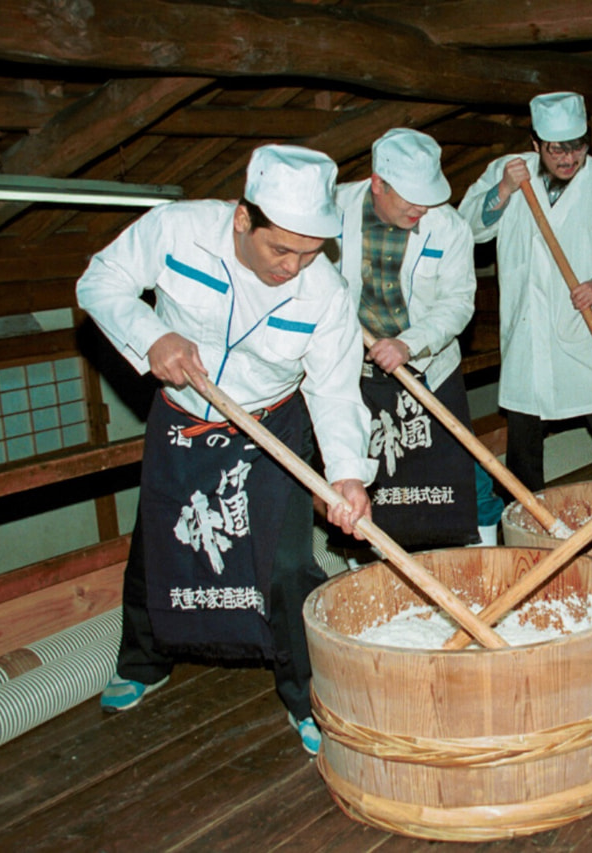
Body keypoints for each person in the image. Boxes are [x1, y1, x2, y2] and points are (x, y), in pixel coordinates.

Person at [77, 144, 376, 756]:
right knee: (158, 539)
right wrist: (150, 334)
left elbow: (337, 390)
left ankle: (306, 695)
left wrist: (346, 475)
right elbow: (98, 281)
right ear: (244, 219)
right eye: (280, 249)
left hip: (270, 426)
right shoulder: (177, 229)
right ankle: (142, 662)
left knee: (288, 564)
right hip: (183, 416)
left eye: (310, 252)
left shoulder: (324, 294)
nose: (293, 266)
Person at [458, 91, 592, 492]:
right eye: (555, 150)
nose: (567, 159)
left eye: (576, 148)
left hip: (585, 326)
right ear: (535, 144)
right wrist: (504, 190)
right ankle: (525, 522)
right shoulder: (508, 171)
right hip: (529, 329)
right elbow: (469, 227)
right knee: (525, 439)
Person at [332, 128, 486, 547]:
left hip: (428, 364)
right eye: (410, 196)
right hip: (352, 370)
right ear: (378, 183)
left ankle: (467, 556)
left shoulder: (448, 225)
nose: (422, 206)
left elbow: (458, 302)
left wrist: (410, 343)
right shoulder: (332, 210)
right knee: (362, 476)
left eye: (428, 194)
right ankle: (362, 564)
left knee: (448, 477)